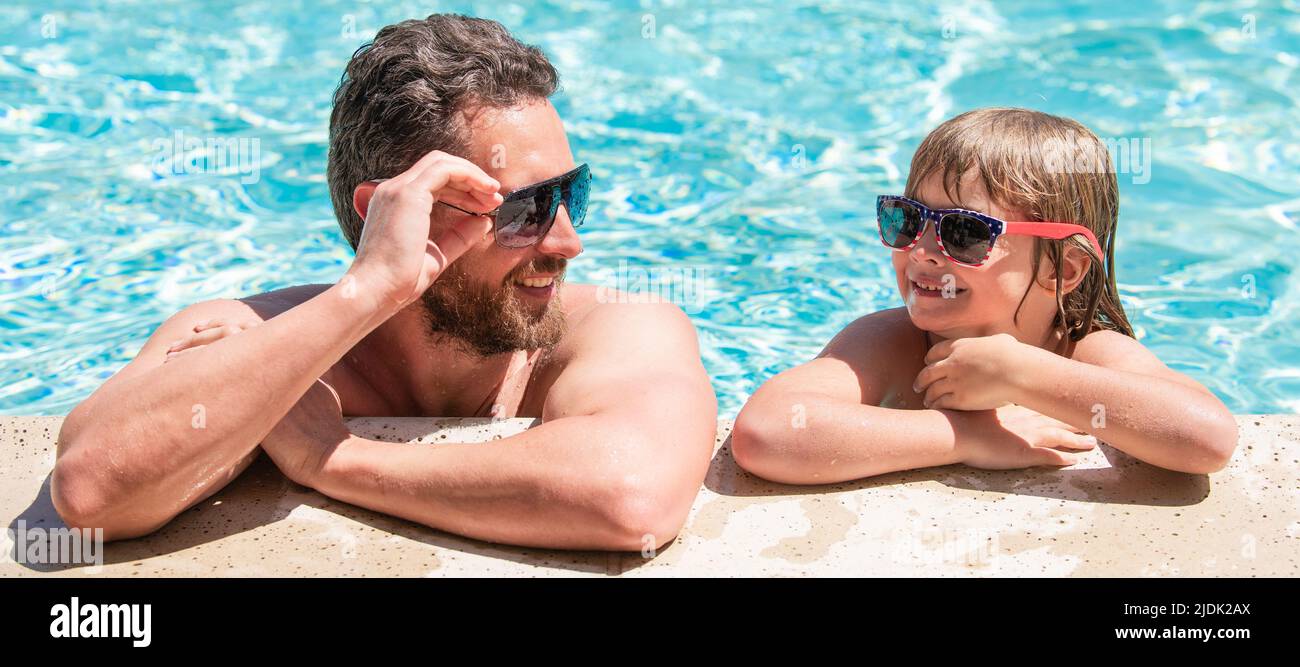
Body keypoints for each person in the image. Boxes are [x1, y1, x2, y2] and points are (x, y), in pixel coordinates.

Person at [51, 14, 717, 551]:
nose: (569, 240)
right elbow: (91, 493)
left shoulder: (618, 327)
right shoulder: (252, 339)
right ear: (391, 216)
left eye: (573, 193)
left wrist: (330, 458)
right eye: (524, 209)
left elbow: (631, 497)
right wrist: (366, 290)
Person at [732, 108, 1237, 484]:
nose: (924, 251)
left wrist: (1020, 373)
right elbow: (768, 432)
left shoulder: (1083, 352)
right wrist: (967, 437)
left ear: (1065, 269)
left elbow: (1207, 440)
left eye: (965, 232)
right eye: (906, 219)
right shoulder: (891, 343)